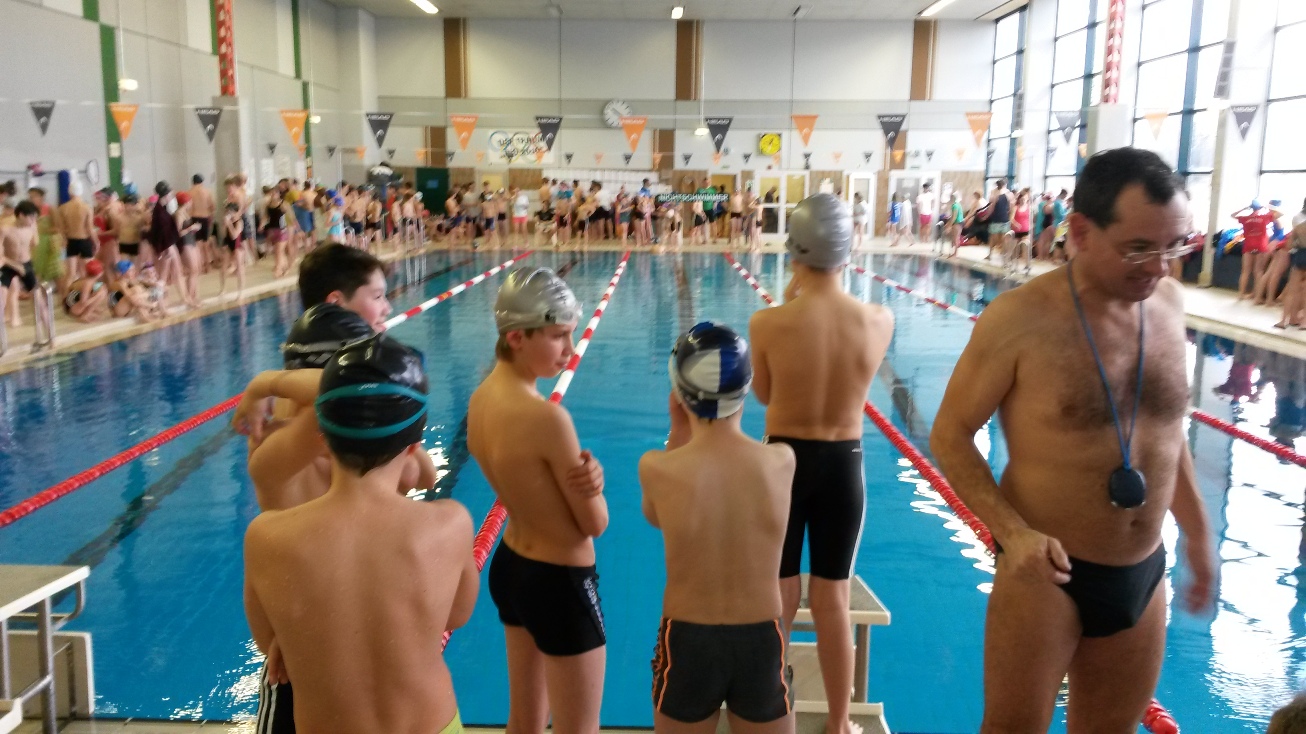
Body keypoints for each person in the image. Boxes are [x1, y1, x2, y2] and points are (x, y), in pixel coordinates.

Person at [929, 148, 1215, 733]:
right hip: (1046, 575)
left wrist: (1199, 533)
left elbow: (1166, 432)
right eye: (1139, 247)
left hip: (1143, 572)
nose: (1159, 266)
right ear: (1081, 232)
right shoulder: (1021, 319)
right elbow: (950, 435)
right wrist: (1012, 534)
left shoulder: (1168, 305)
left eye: (1175, 245)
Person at [242, 334, 478, 734]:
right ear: (414, 443)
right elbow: (456, 614)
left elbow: (271, 644)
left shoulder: (266, 536)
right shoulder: (449, 524)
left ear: (323, 435)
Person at [748, 193, 894, 734]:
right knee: (832, 595)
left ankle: (771, 713)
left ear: (794, 253)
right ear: (849, 251)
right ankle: (839, 723)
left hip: (783, 463)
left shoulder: (767, 323)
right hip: (843, 464)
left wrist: (791, 298)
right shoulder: (879, 320)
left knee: (780, 593)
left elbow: (763, 395)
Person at [468, 267, 607, 734]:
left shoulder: (481, 399)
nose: (569, 351)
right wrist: (596, 487)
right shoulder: (547, 420)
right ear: (515, 338)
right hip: (561, 582)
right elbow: (594, 523)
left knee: (524, 722)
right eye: (557, 336)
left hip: (512, 570)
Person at [641, 322, 797, 734]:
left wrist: (678, 432)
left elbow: (658, 518)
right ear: (745, 388)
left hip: (688, 641)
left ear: (679, 395)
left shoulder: (656, 468)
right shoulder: (781, 461)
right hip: (762, 638)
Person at [0, 201, 50, 332]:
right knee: (2, 298)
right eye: (31, 217)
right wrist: (15, 265)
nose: (33, 220)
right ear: (21, 215)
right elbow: (0, 256)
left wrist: (34, 230)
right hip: (8, 265)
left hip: (26, 265)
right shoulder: (5, 229)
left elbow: (35, 244)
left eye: (35, 218)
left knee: (39, 300)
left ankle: (51, 336)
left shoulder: (32, 227)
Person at [1233, 200, 1282, 301]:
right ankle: (1257, 297)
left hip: (1248, 245)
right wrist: (1268, 208)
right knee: (1258, 271)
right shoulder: (1264, 217)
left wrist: (1244, 208)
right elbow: (1280, 215)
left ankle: (1241, 295)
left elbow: (1232, 215)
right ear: (1259, 208)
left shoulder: (1245, 218)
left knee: (1245, 271)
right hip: (1260, 245)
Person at [55, 179, 98, 294]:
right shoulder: (86, 207)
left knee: (71, 274)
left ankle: (66, 298)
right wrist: (96, 242)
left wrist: (64, 241)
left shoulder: (62, 208)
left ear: (70, 193)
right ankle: (86, 296)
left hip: (71, 241)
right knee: (88, 272)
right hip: (84, 241)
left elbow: (61, 229)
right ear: (81, 192)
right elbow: (89, 228)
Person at [1275, 197, 1306, 329]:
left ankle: (1283, 321)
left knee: (1292, 290)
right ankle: (1304, 322)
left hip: (1299, 254)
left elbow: (1290, 243)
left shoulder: (1297, 220)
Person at [63, 257, 109, 323]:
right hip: (71, 307)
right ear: (99, 273)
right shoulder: (88, 283)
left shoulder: (90, 280)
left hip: (73, 303)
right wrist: (96, 296)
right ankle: (84, 315)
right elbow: (83, 302)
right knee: (101, 293)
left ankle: (88, 311)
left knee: (102, 289)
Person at [986, 179, 1014, 261]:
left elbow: (991, 207)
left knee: (992, 238)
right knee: (1004, 238)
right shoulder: (1009, 194)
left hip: (995, 218)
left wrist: (987, 216)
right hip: (1004, 218)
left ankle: (990, 254)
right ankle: (1004, 254)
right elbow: (1011, 207)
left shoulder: (995, 194)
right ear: (1004, 185)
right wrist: (1009, 215)